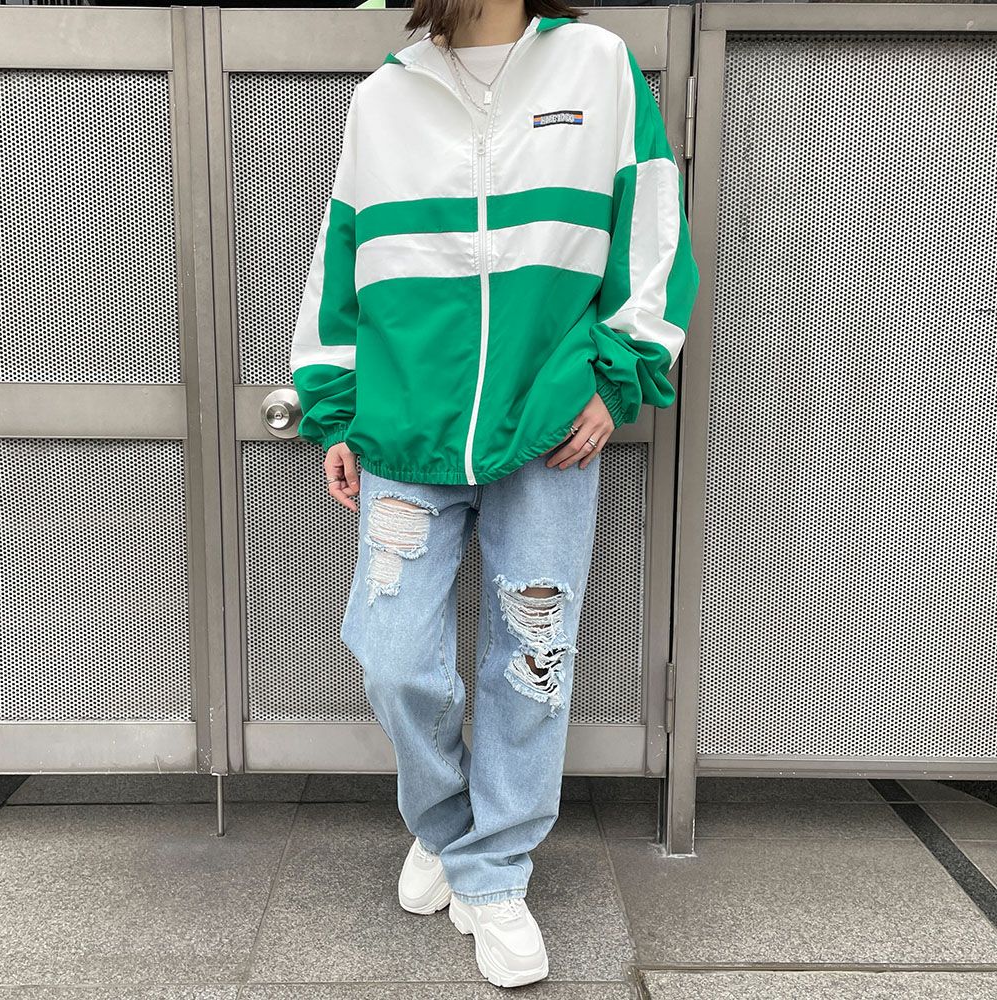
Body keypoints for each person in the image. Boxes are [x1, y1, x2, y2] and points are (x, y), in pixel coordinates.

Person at [289, 0, 699, 987]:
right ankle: (445, 828)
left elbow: (652, 229)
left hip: (547, 424)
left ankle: (496, 869)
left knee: (533, 657)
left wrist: (616, 376)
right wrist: (334, 407)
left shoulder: (594, 66)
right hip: (404, 427)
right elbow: (341, 258)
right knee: (392, 658)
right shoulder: (383, 97)